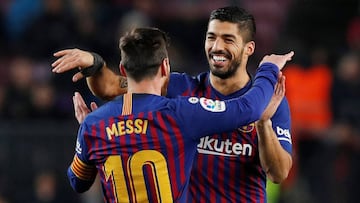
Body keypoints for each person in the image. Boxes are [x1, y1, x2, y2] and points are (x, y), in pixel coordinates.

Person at [52, 6, 293, 202]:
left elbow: (278, 173)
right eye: (211, 37)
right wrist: (95, 64)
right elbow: (114, 86)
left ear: (249, 48)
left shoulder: (270, 102)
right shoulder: (176, 88)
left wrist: (263, 124)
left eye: (228, 39)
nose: (217, 47)